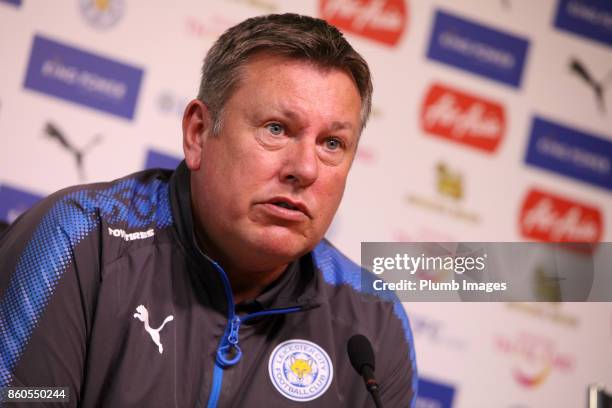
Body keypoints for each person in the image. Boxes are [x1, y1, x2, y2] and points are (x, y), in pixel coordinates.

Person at [0, 13, 417, 407]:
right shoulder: (79, 241)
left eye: (331, 144)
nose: (305, 169)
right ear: (198, 134)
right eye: (276, 129)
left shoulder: (374, 323)